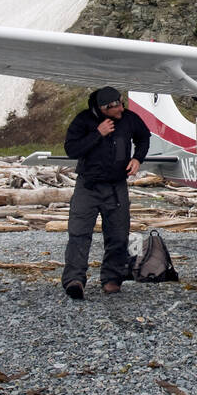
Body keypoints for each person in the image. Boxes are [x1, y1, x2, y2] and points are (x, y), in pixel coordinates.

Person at [61, 87, 151, 298]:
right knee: (79, 233)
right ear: (103, 108)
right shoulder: (83, 120)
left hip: (116, 185)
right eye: (116, 106)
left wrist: (137, 158)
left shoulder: (128, 119)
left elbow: (144, 137)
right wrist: (97, 134)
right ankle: (74, 280)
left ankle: (112, 278)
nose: (121, 108)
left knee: (119, 234)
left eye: (121, 103)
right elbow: (71, 149)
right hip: (88, 186)